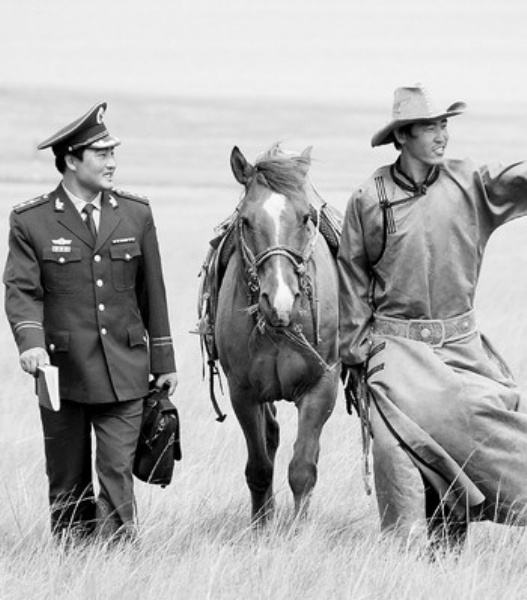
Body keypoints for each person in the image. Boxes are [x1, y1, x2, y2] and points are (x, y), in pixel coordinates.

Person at [338, 83, 527, 550]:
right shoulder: (369, 198)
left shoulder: (471, 182)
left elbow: (518, 177)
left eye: (444, 125)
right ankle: (406, 556)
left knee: (492, 415)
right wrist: (356, 353)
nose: (442, 135)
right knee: (395, 444)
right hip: (398, 348)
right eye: (429, 127)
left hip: (463, 347)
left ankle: (457, 541)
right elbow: (352, 279)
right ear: (403, 136)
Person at [3, 101, 178, 543]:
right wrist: (30, 343)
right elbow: (22, 290)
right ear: (71, 160)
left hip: (126, 369)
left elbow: (152, 291)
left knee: (117, 472)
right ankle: (72, 560)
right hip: (61, 372)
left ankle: (117, 561)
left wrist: (164, 360)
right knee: (68, 480)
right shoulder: (31, 221)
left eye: (113, 152)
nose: (112, 162)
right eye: (101, 154)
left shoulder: (136, 214)